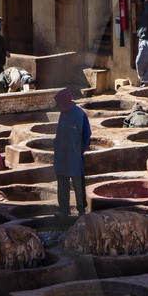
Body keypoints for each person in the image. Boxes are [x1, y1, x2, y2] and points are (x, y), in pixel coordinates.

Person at [53, 87, 92, 219]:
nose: (59, 106)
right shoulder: (62, 113)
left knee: (78, 184)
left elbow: (87, 134)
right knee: (62, 183)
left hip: (74, 155)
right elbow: (59, 132)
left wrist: (80, 150)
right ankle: (64, 210)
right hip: (62, 155)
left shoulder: (79, 114)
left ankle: (81, 210)